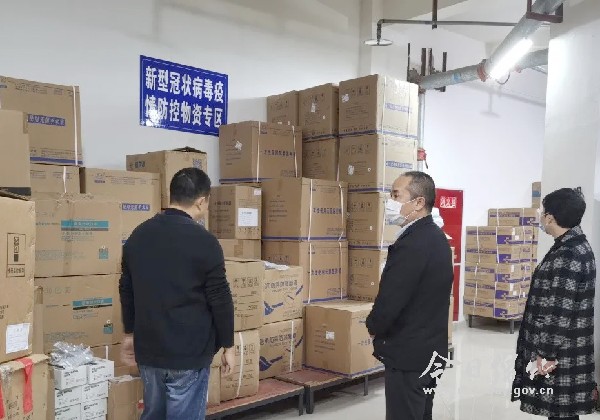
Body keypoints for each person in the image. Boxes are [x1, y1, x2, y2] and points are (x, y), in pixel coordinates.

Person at [119, 167, 235, 420]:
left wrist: (129, 334)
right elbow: (220, 298)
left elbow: (127, 289)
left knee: (154, 414)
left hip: (149, 349)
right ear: (201, 201)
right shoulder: (205, 242)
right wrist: (228, 345)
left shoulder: (138, 236)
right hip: (188, 353)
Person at [366, 171, 454, 420]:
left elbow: (392, 298)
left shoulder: (413, 244)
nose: (390, 202)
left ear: (418, 202)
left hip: (409, 356)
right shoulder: (436, 237)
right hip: (430, 351)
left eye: (396, 195)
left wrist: (373, 325)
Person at [512, 187, 597, 420]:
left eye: (543, 212)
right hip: (566, 348)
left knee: (561, 411)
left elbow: (559, 311)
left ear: (550, 217)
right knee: (563, 413)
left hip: (562, 352)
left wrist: (546, 353)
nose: (541, 217)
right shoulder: (572, 245)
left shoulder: (568, 254)